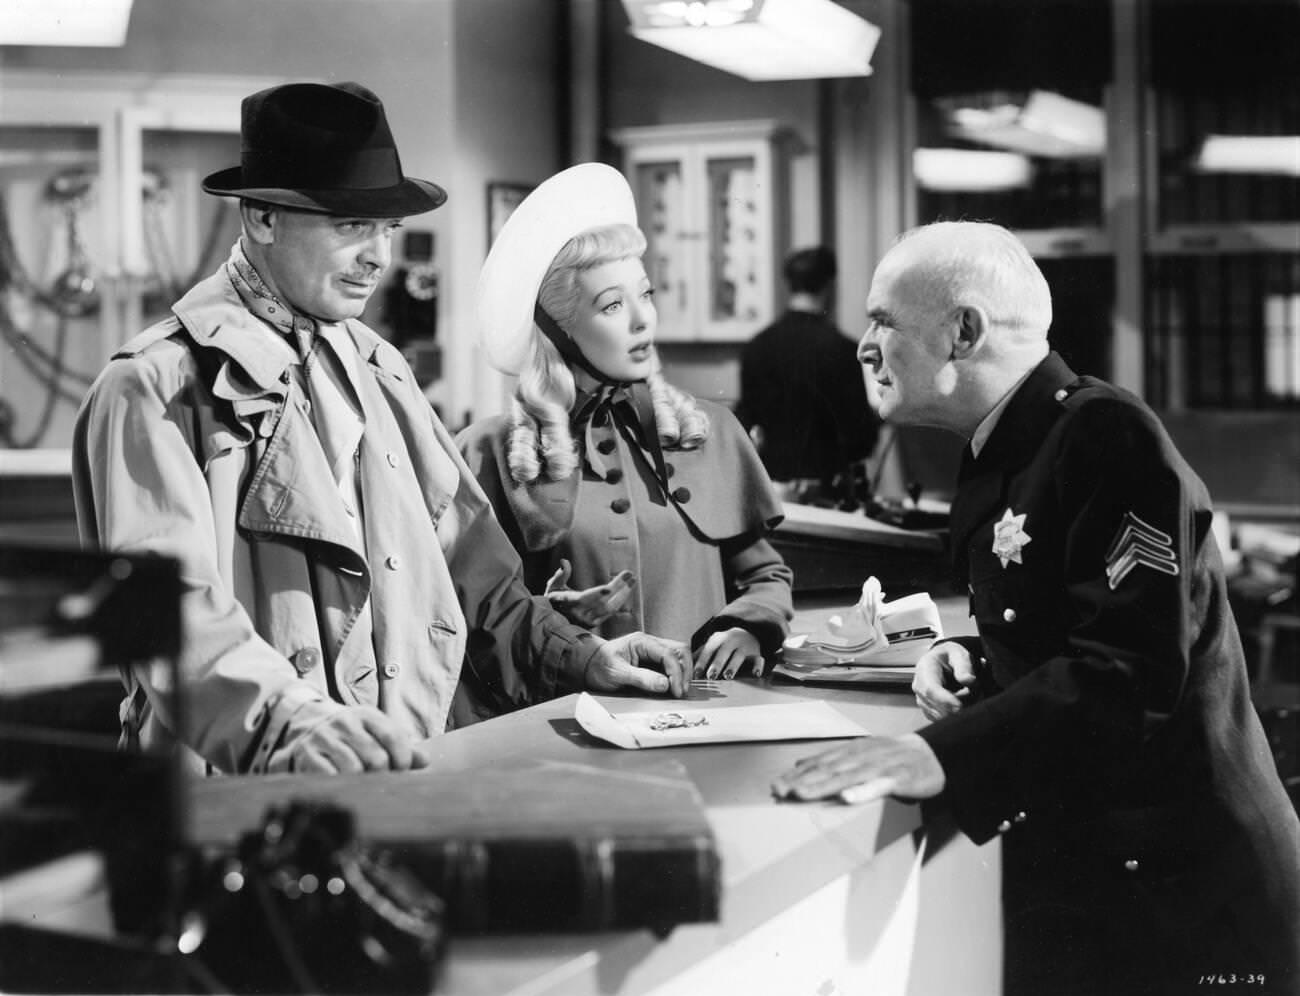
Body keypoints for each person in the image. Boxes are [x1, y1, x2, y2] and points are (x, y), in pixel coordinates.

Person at [71, 82, 690, 777]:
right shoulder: (153, 387)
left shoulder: (379, 370)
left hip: (395, 777)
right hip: (237, 799)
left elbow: (473, 578)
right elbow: (165, 611)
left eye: (384, 229)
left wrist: (582, 655)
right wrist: (284, 723)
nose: (379, 256)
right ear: (262, 217)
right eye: (349, 225)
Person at [772, 221, 1300, 995]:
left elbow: (1131, 673)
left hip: (1184, 902)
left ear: (964, 331)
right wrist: (974, 656)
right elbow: (1061, 625)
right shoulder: (1012, 446)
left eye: (883, 320)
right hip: (1104, 881)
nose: (863, 344)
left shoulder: (1106, 435)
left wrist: (940, 753)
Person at [457, 163, 793, 680]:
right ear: (560, 329)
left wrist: (751, 626)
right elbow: (477, 618)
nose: (643, 319)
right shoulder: (489, 453)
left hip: (706, 714)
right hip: (567, 722)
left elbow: (766, 575)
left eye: (646, 294)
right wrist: (552, 619)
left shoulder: (711, 430)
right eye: (612, 305)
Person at [736, 246, 879, 502]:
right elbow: (860, 439)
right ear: (830, 286)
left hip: (771, 492)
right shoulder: (843, 349)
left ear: (789, 284)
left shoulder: (756, 346)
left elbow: (745, 422)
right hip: (827, 493)